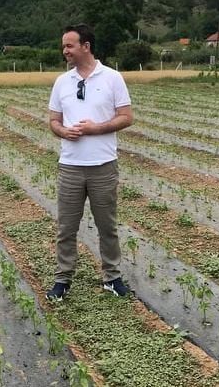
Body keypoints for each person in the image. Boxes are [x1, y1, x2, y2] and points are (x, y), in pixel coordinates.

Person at [45, 24, 134, 301]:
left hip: (103, 166)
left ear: (86, 46)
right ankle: (62, 279)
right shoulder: (62, 82)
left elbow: (126, 116)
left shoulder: (112, 78)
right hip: (70, 165)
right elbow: (53, 121)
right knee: (66, 227)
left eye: (69, 45)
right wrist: (63, 131)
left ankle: (112, 276)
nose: (65, 51)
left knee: (107, 225)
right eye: (64, 46)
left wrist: (97, 128)